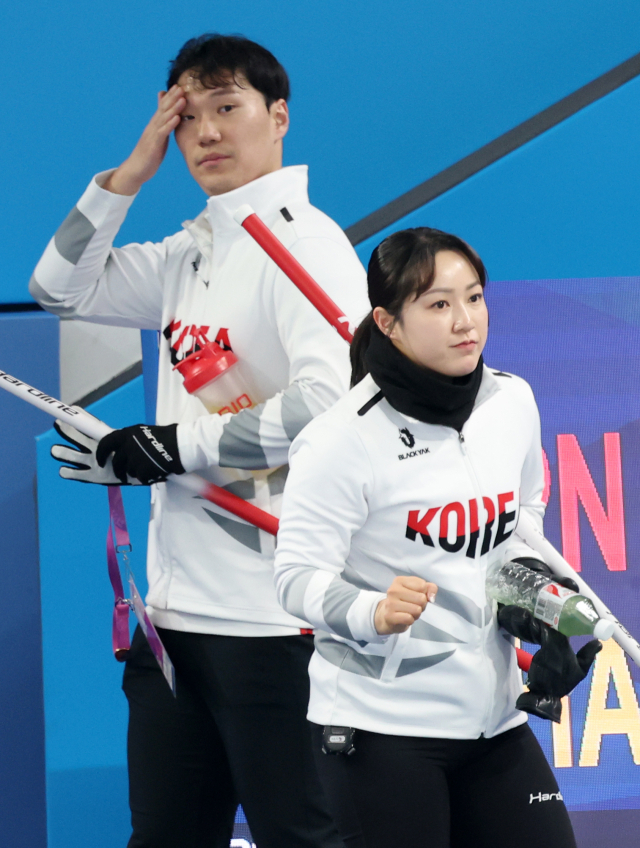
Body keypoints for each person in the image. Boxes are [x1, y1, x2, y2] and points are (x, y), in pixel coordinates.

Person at [30, 33, 368, 848]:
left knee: (304, 837)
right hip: (173, 626)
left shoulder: (305, 244)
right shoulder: (193, 251)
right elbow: (56, 289)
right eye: (188, 116)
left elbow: (335, 402)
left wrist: (175, 446)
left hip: (276, 626)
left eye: (227, 106)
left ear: (278, 117)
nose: (207, 132)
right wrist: (130, 173)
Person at [274, 227, 600, 848]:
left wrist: (534, 603)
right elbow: (294, 578)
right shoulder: (339, 439)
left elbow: (519, 527)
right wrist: (373, 610)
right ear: (387, 322)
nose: (464, 321)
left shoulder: (512, 401)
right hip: (379, 733)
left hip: (495, 723)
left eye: (473, 298)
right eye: (439, 304)